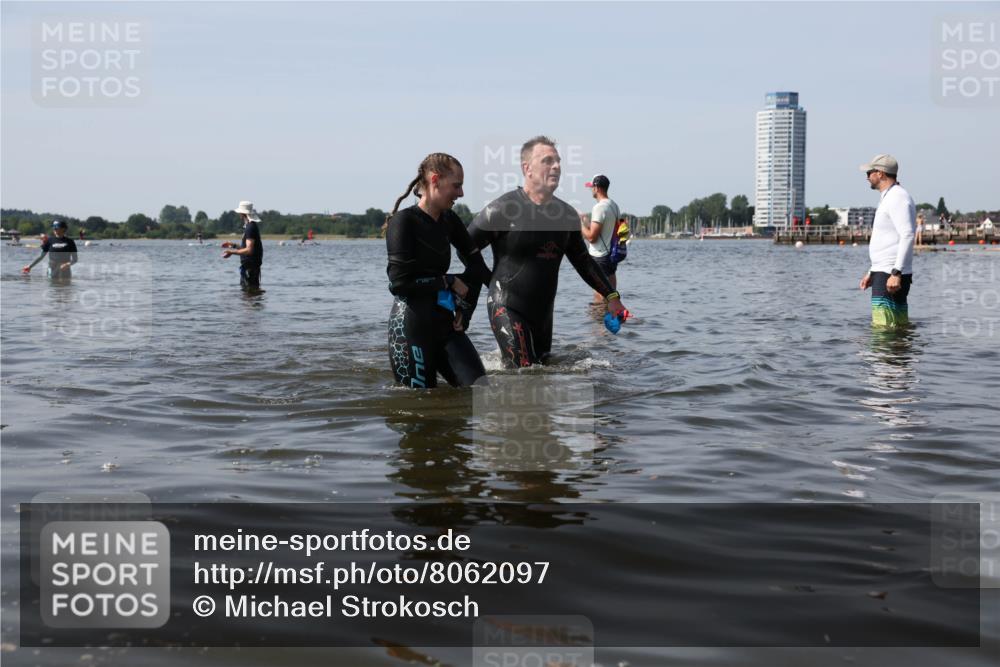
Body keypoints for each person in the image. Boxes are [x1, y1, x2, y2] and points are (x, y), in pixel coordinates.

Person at [466, 136, 628, 367]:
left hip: (543, 314)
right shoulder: (502, 209)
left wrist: (612, 296)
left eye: (559, 161)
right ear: (527, 168)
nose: (556, 166)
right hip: (506, 305)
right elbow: (465, 246)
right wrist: (487, 281)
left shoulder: (565, 215)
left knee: (541, 370)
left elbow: (584, 262)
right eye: (547, 161)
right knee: (523, 374)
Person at [385, 153, 492, 388]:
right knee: (423, 410)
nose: (461, 193)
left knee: (481, 391)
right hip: (410, 327)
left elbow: (477, 267)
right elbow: (398, 284)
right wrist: (447, 281)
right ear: (435, 179)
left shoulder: (449, 220)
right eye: (457, 185)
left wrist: (466, 308)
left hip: (445, 322)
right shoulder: (404, 222)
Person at [858, 154, 916, 328]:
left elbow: (907, 235)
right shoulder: (889, 196)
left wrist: (896, 273)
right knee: (895, 327)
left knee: (883, 328)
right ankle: (898, 355)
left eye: (869, 172)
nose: (867, 176)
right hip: (884, 270)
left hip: (890, 273)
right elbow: (888, 240)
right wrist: (871, 271)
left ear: (881, 173)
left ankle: (885, 356)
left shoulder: (897, 197)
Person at [580, 174, 621, 302]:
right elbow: (608, 231)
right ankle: (610, 319)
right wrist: (587, 222)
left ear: (597, 188)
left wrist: (579, 225)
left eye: (592, 187)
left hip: (599, 258)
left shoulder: (599, 208)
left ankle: (598, 321)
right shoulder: (614, 206)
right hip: (611, 256)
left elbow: (592, 238)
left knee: (599, 298)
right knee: (611, 296)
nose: (591, 189)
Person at [222, 200, 264, 292]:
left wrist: (231, 252)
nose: (239, 214)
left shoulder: (250, 227)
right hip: (250, 267)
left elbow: (249, 250)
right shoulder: (250, 226)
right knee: (250, 296)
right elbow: (246, 248)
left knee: (249, 297)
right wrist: (233, 245)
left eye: (240, 212)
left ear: (243, 213)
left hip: (250, 269)